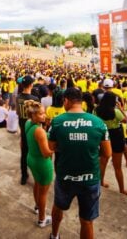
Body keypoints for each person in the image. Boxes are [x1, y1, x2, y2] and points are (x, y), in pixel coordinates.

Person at [48, 87, 111, 239]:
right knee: (87, 220)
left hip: (65, 176)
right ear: (81, 102)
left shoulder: (57, 122)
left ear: (66, 101)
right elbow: (107, 153)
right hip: (90, 178)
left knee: (58, 207)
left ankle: (54, 235)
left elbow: (50, 148)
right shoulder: (98, 123)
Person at [24, 100, 54, 228]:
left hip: (31, 158)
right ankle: (42, 219)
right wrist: (58, 148)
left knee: (37, 184)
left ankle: (37, 206)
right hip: (42, 163)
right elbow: (46, 153)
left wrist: (46, 127)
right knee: (43, 193)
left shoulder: (28, 123)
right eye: (41, 114)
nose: (44, 116)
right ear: (34, 115)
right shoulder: (39, 131)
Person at [95, 91, 127, 194]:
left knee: (103, 162)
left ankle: (101, 183)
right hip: (116, 137)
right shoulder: (116, 112)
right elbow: (126, 120)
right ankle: (121, 189)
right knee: (118, 166)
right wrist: (121, 108)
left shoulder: (96, 110)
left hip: (103, 136)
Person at [16, 75, 39, 185]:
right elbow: (38, 117)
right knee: (35, 153)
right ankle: (36, 175)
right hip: (32, 129)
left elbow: (18, 113)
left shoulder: (18, 97)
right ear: (31, 85)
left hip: (23, 127)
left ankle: (24, 176)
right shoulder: (34, 99)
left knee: (24, 153)